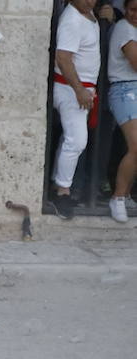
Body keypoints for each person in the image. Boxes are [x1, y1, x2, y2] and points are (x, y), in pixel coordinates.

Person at [50, 0, 102, 219]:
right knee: (77, 140)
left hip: (81, 88)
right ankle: (62, 193)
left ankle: (57, 182)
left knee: (69, 139)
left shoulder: (89, 15)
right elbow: (63, 58)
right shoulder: (72, 19)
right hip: (70, 89)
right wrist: (79, 89)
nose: (90, 0)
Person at [107, 0, 137, 223]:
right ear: (125, 8)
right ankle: (117, 198)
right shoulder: (124, 28)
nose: (135, 14)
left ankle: (125, 193)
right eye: (133, 9)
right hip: (124, 89)